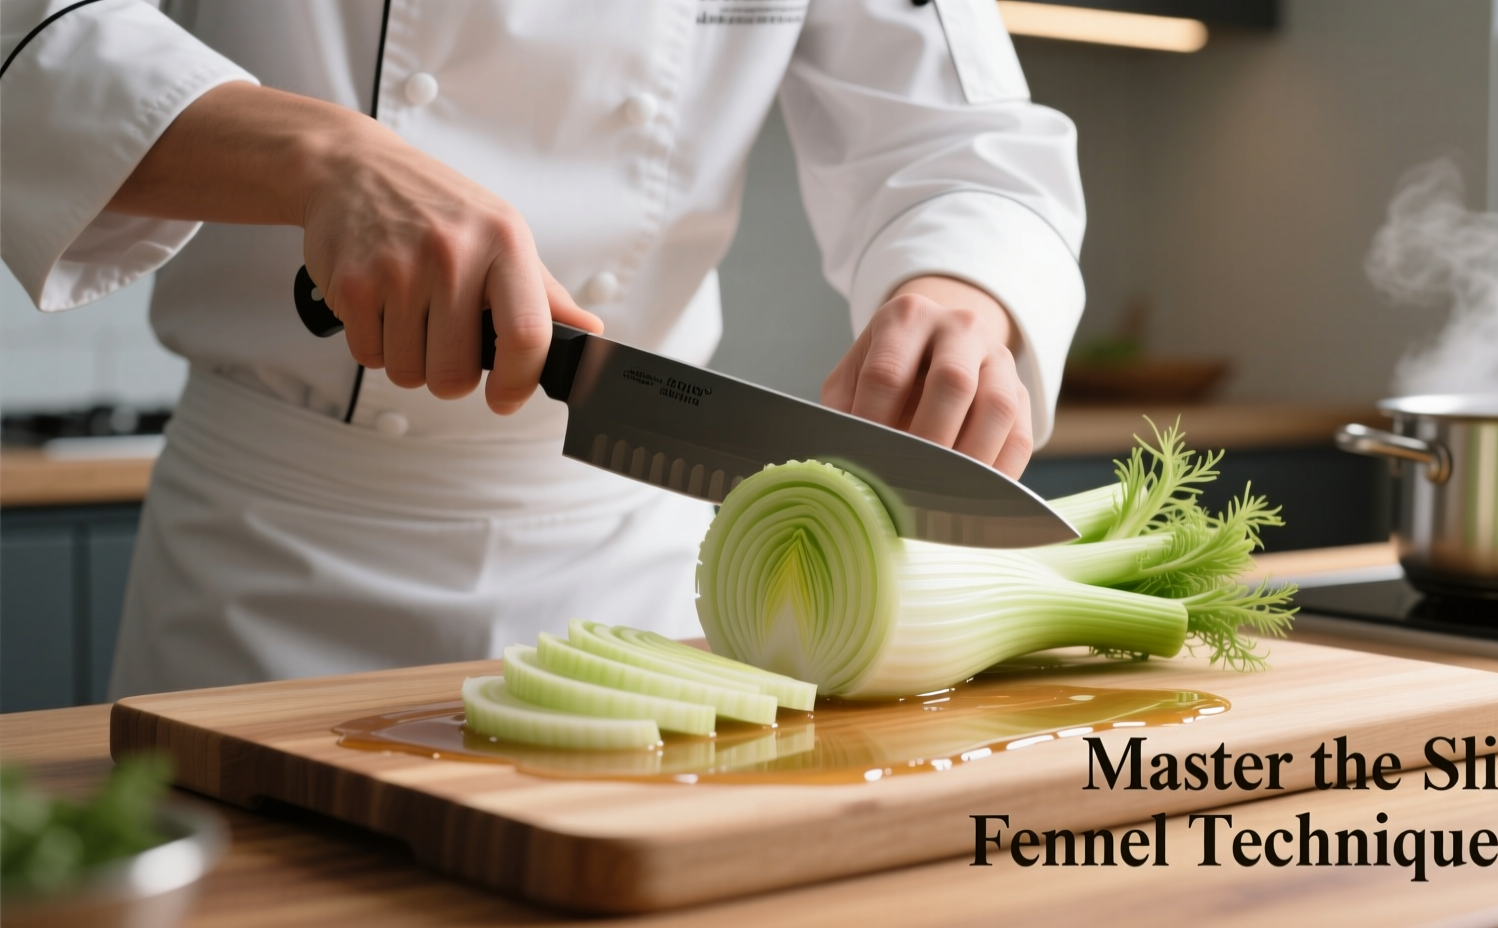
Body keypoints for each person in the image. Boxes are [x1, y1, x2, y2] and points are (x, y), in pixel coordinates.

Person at [0, 0, 1086, 697]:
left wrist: (963, 284)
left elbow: (960, 135)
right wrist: (321, 155)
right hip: (266, 573)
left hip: (635, 591)